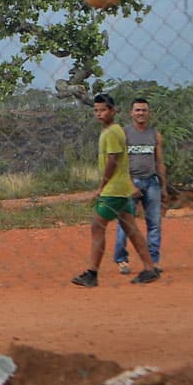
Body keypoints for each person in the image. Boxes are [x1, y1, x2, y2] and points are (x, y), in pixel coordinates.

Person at [72, 93, 161, 287]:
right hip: (121, 188)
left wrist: (102, 186)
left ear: (113, 110)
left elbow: (113, 160)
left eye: (103, 110)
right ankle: (149, 268)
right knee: (131, 229)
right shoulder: (114, 130)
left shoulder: (112, 132)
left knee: (97, 226)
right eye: (96, 110)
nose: (99, 114)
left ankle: (92, 273)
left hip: (113, 189)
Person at [112, 97, 166, 274]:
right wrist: (127, 184)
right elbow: (118, 162)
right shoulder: (124, 133)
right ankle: (121, 259)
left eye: (144, 110)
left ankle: (153, 261)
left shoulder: (155, 135)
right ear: (131, 113)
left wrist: (163, 186)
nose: (141, 113)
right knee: (125, 223)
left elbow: (159, 162)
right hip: (130, 182)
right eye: (137, 110)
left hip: (152, 182)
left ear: (149, 113)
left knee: (154, 223)